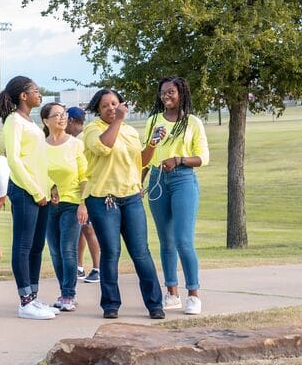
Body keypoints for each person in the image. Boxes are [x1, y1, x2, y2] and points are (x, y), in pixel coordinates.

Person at [82, 88, 165, 320]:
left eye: (114, 104)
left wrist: (152, 144)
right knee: (111, 252)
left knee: (141, 253)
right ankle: (111, 305)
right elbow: (104, 147)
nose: (111, 108)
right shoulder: (91, 130)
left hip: (131, 198)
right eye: (105, 105)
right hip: (103, 199)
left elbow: (140, 162)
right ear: (98, 109)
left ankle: (155, 304)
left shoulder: (130, 131)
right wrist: (117, 120)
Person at [142, 76, 209, 315]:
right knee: (166, 241)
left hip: (183, 179)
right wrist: (139, 181)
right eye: (163, 93)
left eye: (171, 92)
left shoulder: (192, 122)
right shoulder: (153, 121)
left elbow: (203, 158)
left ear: (181, 93)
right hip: (158, 179)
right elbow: (144, 159)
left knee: (183, 240)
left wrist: (179, 159)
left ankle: (193, 294)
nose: (166, 96)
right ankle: (172, 293)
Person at [0, 76, 57, 320]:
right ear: (23, 95)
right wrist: (35, 190)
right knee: (23, 246)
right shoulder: (13, 121)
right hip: (25, 192)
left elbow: (38, 159)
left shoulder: (30, 122)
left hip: (41, 192)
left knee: (36, 246)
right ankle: (25, 302)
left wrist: (50, 186)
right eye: (35, 90)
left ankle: (33, 297)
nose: (39, 93)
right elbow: (14, 160)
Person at [41, 102, 88, 312]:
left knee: (67, 249)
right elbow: (37, 173)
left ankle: (69, 294)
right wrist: (50, 187)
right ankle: (64, 292)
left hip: (72, 203)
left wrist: (83, 204)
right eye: (56, 115)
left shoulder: (75, 144)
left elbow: (85, 176)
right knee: (54, 251)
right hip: (48, 205)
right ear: (45, 121)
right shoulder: (40, 146)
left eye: (64, 114)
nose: (62, 118)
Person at [66, 106, 101, 284]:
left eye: (66, 120)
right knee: (80, 230)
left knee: (88, 229)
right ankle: (79, 267)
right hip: (77, 190)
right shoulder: (77, 136)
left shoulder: (80, 138)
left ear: (71, 120)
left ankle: (97, 268)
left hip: (85, 189)